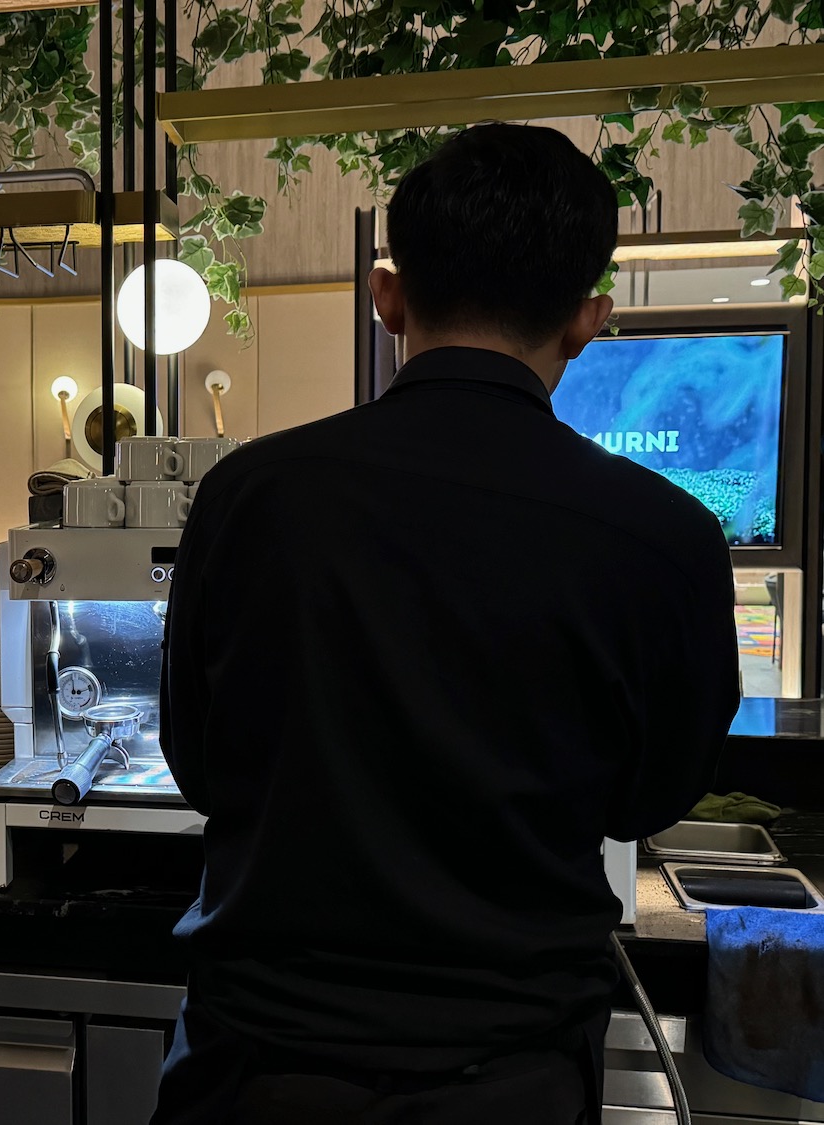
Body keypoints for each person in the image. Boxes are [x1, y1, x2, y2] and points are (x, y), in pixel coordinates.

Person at [155, 123, 740, 1125]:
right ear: (588, 319)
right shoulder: (667, 534)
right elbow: (648, 796)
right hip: (510, 1071)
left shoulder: (249, 494)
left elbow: (196, 761)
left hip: (254, 1063)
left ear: (389, 297)